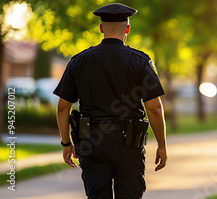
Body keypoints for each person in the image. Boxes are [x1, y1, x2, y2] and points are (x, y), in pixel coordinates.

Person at [54, 3, 168, 198]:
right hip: (129, 144)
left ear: (101, 29)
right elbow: (154, 108)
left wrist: (66, 143)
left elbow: (63, 107)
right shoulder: (141, 61)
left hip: (92, 144)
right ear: (128, 29)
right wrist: (162, 145)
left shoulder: (79, 61)